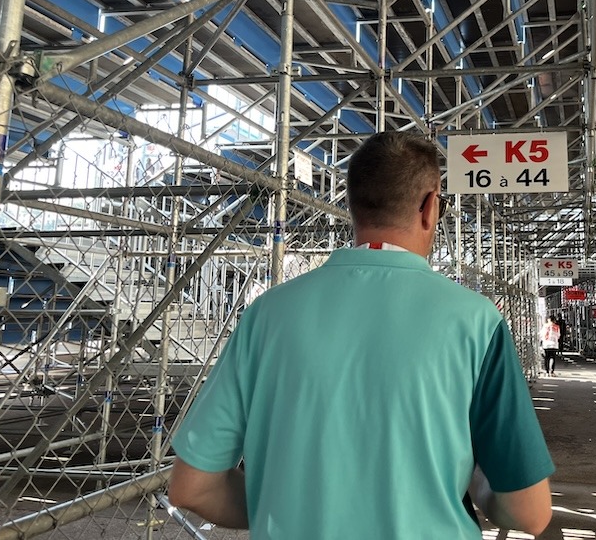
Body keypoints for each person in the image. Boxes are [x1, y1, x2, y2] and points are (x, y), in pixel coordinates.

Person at [168, 131, 554, 538]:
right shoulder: (476, 321)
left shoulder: (266, 314)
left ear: (351, 206)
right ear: (429, 207)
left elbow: (193, 486)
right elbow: (529, 513)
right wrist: (476, 483)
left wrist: (285, 505)